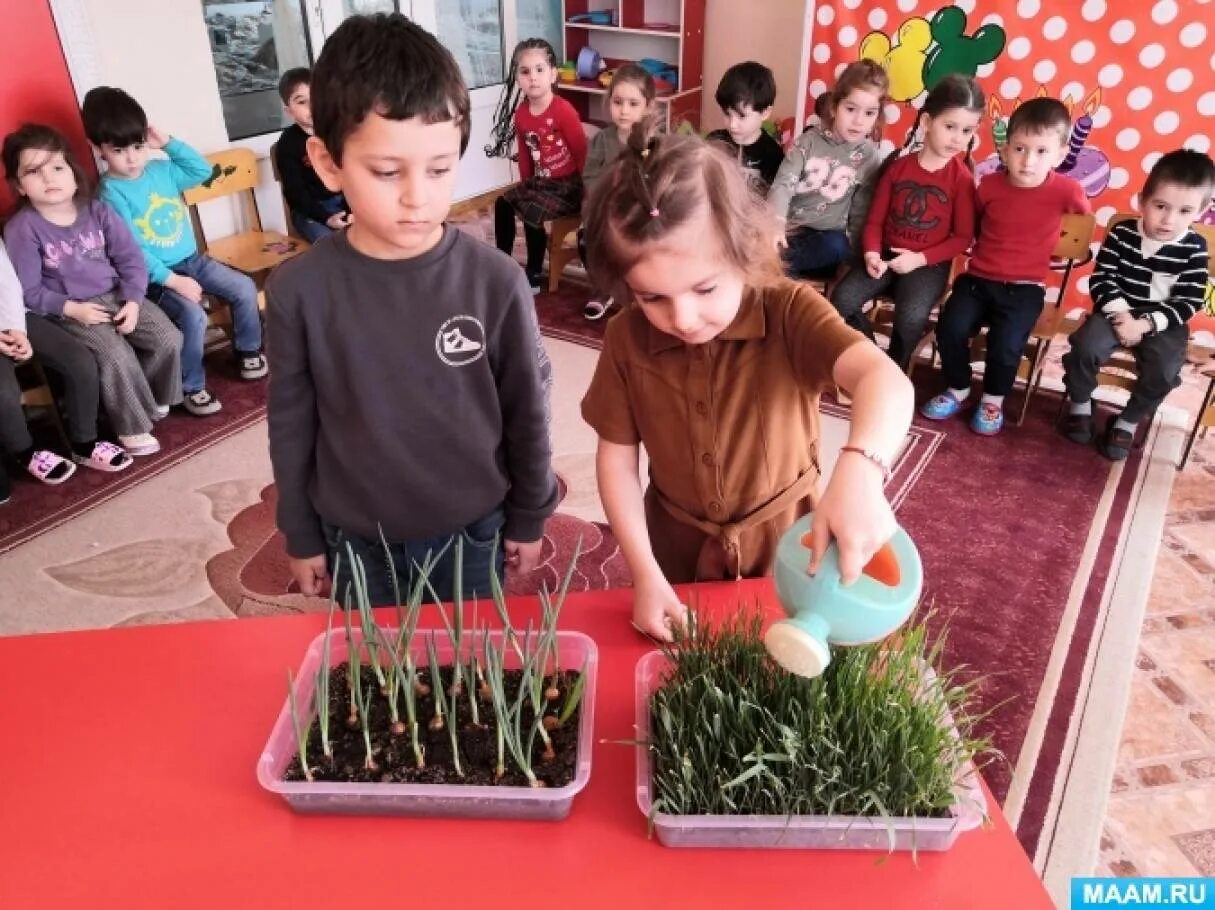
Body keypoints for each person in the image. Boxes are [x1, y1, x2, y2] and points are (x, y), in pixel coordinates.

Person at [266, 13, 558, 605]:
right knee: (378, 680)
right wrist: (300, 533)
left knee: (471, 680)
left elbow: (528, 409)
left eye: (440, 169)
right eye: (386, 171)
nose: (417, 196)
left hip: (473, 532)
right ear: (327, 163)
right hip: (354, 539)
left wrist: (528, 512)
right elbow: (292, 424)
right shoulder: (298, 290)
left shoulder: (496, 282)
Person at [580, 129, 914, 641]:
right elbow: (618, 460)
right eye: (652, 298)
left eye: (705, 288)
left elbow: (885, 382)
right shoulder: (626, 337)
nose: (684, 318)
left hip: (791, 548)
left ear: (746, 249)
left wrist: (863, 471)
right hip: (677, 552)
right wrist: (643, 572)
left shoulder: (789, 311)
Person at [81, 86, 267, 420]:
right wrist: (173, 281)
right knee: (193, 315)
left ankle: (248, 349)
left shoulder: (160, 170)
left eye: (137, 146)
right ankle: (190, 386)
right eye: (119, 150)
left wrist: (167, 142)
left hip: (192, 260)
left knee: (243, 287)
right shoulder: (109, 195)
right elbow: (132, 253)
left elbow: (201, 171)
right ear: (97, 149)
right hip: (155, 278)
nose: (133, 157)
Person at [2, 124, 181, 457]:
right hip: (69, 308)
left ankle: (154, 397)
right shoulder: (22, 229)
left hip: (116, 294)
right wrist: (72, 310)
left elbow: (130, 259)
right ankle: (132, 426)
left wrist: (133, 300)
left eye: (57, 167)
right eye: (34, 172)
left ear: (73, 171)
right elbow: (28, 290)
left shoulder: (97, 210)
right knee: (115, 355)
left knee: (168, 338)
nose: (49, 178)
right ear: (19, 186)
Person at [920, 97, 1090, 435]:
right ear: (1005, 148)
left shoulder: (1067, 191)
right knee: (950, 327)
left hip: (1025, 286)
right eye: (1020, 149)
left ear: (1059, 153)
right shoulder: (989, 186)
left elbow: (1080, 227)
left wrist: (1057, 251)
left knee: (1006, 343)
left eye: (1041, 151)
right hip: (978, 278)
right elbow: (979, 224)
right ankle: (959, 387)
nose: (1028, 161)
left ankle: (993, 400)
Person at [1062, 149, 1214, 459]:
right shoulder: (1122, 235)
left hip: (1163, 322)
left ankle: (1128, 421)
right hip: (1116, 310)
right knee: (1085, 347)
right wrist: (1122, 317)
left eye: (1185, 211)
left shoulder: (1195, 249)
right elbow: (1102, 280)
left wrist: (1145, 324)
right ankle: (1080, 403)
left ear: (1201, 211)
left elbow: (1189, 300)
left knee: (1165, 369)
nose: (1169, 220)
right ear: (1142, 200)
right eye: (1160, 206)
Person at [830, 74, 982, 370]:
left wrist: (919, 259)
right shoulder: (899, 167)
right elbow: (875, 221)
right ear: (926, 122)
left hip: (927, 265)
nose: (957, 138)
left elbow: (962, 238)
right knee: (842, 300)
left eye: (966, 131)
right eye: (949, 127)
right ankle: (874, 361)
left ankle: (896, 367)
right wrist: (872, 253)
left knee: (911, 314)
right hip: (884, 256)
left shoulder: (961, 179)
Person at [0, 239, 134, 502]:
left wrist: (16, 328)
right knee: (3, 392)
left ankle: (84, 442)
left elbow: (6, 282)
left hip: (12, 316)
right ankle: (25, 451)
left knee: (79, 360)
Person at [767, 60, 888, 279]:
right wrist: (775, 225)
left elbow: (861, 212)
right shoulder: (808, 142)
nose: (859, 121)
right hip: (789, 233)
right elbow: (783, 185)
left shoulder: (870, 158)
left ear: (877, 117)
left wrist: (856, 259)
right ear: (834, 107)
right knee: (764, 241)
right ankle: (777, 272)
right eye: (851, 109)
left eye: (869, 113)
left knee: (837, 246)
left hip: (826, 243)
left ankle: (772, 267)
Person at [487, 38, 588, 292]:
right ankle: (503, 264)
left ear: (553, 74)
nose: (533, 77)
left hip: (569, 186)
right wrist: (526, 186)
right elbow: (524, 152)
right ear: (518, 78)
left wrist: (588, 196)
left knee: (531, 212)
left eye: (540, 70)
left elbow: (582, 154)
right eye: (525, 71)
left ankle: (533, 274)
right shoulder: (521, 114)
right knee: (504, 203)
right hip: (541, 184)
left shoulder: (564, 111)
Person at [579, 64, 655, 321]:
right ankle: (603, 288)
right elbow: (589, 176)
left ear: (648, 106)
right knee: (588, 236)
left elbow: (659, 180)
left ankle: (640, 290)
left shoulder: (654, 142)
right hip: (606, 206)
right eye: (618, 102)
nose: (624, 111)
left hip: (640, 209)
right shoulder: (602, 140)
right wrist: (605, 196)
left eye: (633, 104)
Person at [273, 67, 351, 243]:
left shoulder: (337, 133)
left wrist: (351, 211)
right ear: (289, 111)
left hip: (345, 202)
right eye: (301, 102)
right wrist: (326, 217)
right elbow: (295, 193)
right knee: (329, 246)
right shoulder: (288, 144)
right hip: (310, 212)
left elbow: (351, 176)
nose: (311, 106)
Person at [705, 60, 785, 194]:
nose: (732, 124)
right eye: (727, 114)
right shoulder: (714, 141)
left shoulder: (772, 154)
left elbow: (773, 200)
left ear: (765, 113)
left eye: (741, 116)